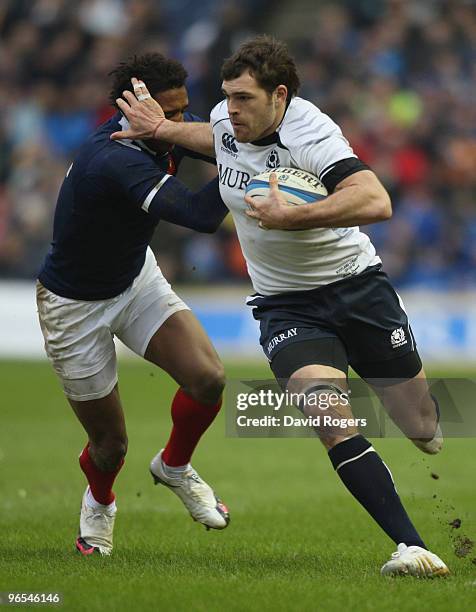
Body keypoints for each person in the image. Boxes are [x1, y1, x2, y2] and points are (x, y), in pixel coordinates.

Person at [111, 36, 449, 577]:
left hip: (357, 288)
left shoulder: (309, 131)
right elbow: (213, 137)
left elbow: (376, 199)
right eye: (227, 96)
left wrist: (293, 216)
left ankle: (423, 423)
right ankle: (411, 547)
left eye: (244, 98)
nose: (231, 109)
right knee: (326, 413)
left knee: (424, 429)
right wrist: (164, 130)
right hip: (287, 304)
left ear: (280, 96)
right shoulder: (227, 122)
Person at [36, 53, 231, 557]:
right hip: (73, 306)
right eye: (169, 113)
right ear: (134, 106)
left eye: (183, 110)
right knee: (111, 446)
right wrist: (255, 171)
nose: (179, 121)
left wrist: (260, 144)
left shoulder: (165, 127)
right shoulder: (115, 158)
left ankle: (174, 466)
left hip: (133, 279)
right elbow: (198, 212)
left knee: (208, 378)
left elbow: (219, 143)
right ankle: (99, 503)